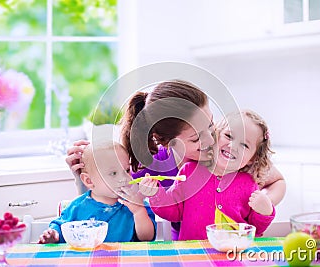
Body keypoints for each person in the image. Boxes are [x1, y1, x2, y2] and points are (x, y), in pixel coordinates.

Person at [66, 80, 286, 238]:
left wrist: (256, 204)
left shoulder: (227, 158)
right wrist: (80, 178)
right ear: (167, 144)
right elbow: (101, 204)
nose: (210, 139)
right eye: (196, 139)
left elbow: (277, 181)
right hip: (187, 251)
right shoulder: (151, 168)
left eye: (210, 125)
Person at [140, 109, 276, 240]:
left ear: (253, 158)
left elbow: (255, 230)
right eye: (228, 136)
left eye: (245, 145)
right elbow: (173, 212)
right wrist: (155, 194)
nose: (233, 145)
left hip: (231, 254)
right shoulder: (189, 171)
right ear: (215, 136)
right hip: (193, 254)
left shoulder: (249, 184)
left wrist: (265, 211)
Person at [39, 141, 157, 244]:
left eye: (126, 170)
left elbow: (147, 238)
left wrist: (139, 212)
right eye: (113, 173)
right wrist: (54, 235)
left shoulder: (136, 203)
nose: (125, 178)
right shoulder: (77, 206)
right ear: (89, 181)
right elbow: (60, 226)